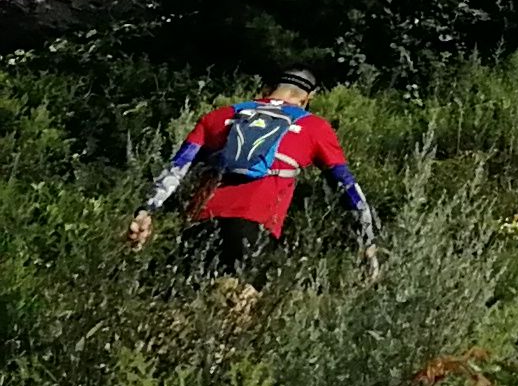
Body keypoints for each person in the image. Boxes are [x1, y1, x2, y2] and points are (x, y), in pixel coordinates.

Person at [127, 69, 378, 286]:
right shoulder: (314, 126)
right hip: (254, 225)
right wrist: (367, 242)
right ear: (308, 98)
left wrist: (146, 211)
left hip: (200, 222)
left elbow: (176, 168)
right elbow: (346, 186)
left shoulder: (218, 116)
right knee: (239, 318)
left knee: (181, 315)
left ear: (268, 89)